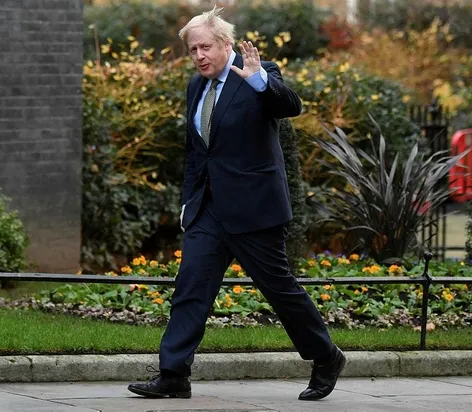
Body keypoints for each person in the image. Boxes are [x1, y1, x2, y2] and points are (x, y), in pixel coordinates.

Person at [127, 6, 345, 401]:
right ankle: (173, 374)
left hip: (254, 210)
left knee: (280, 291)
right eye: (193, 50)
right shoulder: (196, 87)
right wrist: (188, 203)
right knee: (190, 288)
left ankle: (326, 356)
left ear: (226, 44)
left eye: (205, 47)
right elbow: (196, 153)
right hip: (208, 210)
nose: (199, 56)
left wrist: (260, 79)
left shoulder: (258, 74)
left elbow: (290, 106)